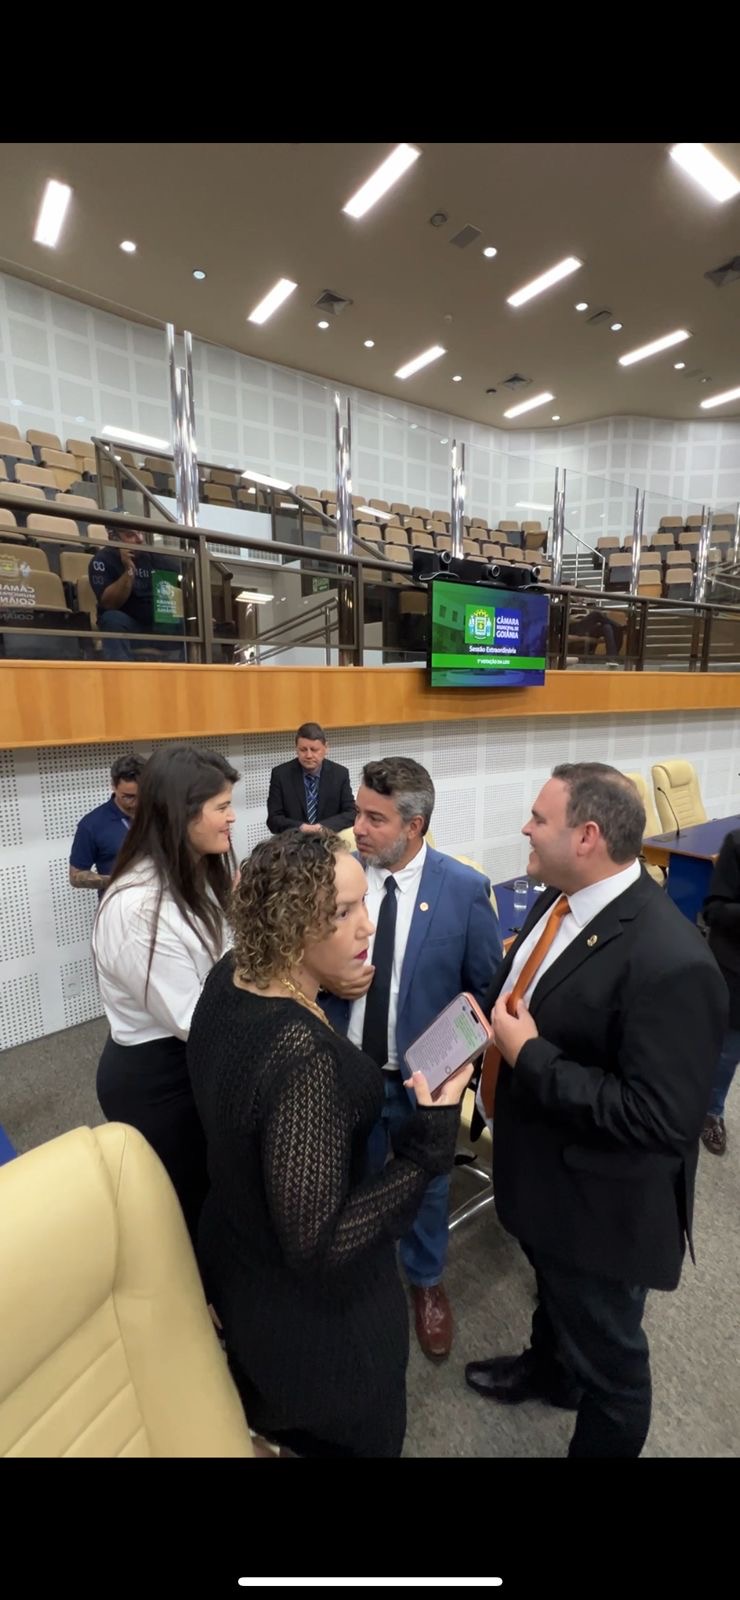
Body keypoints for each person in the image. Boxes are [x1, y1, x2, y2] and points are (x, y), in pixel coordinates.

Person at [464, 762, 727, 1458]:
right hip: (543, 1174)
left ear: (585, 837)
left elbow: (658, 1120)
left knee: (613, 1366)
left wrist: (529, 1056)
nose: (525, 827)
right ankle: (551, 1372)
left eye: (538, 818)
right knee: (554, 1298)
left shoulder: (672, 962)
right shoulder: (561, 898)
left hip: (599, 1208)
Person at [187, 830, 470, 1458]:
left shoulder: (229, 976)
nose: (367, 924)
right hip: (318, 1331)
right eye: (343, 912)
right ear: (292, 927)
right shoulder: (305, 1062)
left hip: (239, 1259)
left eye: (363, 902)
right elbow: (320, 1244)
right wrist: (428, 1142)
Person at [323, 757, 503, 1361]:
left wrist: (454, 1067)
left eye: (375, 818)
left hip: (424, 1080)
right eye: (358, 812)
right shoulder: (340, 878)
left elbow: (482, 991)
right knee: (356, 1178)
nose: (358, 828)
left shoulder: (463, 889)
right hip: (350, 1069)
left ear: (414, 825)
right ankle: (360, 1278)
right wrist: (331, 984)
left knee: (428, 1185)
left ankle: (426, 1280)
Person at [92, 744, 239, 1242]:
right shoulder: (137, 910)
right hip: (159, 1081)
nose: (231, 818)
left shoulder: (196, 871)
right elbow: (195, 1019)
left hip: (192, 1058)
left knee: (211, 1192)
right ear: (182, 813)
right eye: (221, 807)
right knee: (186, 1209)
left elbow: (222, 958)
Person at [701, 827, 740, 1155]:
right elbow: (713, 910)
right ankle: (711, 1113)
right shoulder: (736, 843)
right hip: (734, 967)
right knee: (728, 1049)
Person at [89, 528, 184, 661]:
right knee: (111, 619)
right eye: (130, 535)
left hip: (156, 624)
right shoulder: (102, 560)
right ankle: (122, 672)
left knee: (193, 624)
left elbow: (179, 575)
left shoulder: (153, 557)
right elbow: (109, 604)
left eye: (140, 533)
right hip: (129, 627)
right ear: (114, 538)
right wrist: (129, 570)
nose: (139, 539)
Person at [69, 754, 145, 895]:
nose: (136, 802)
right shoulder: (92, 824)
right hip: (119, 902)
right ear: (113, 786)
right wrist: (118, 880)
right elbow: (76, 876)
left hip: (160, 900)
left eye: (142, 795)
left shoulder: (158, 813)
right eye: (128, 796)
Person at [266, 722, 355, 835]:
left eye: (314, 750)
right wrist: (301, 828)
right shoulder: (280, 775)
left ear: (326, 748)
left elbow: (351, 813)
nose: (308, 755)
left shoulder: (340, 774)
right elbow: (273, 820)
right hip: (294, 840)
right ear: (296, 749)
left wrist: (322, 828)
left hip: (328, 839)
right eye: (303, 750)